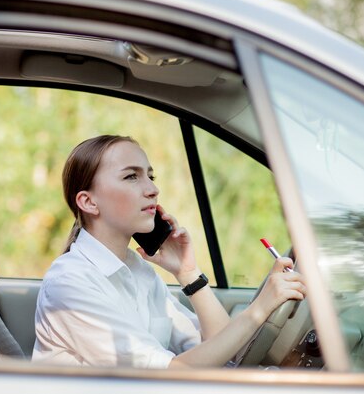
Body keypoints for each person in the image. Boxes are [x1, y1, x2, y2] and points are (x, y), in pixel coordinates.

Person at [32, 134, 306, 368]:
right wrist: (260, 309)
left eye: (150, 176)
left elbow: (221, 352)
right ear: (89, 202)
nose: (153, 189)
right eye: (131, 177)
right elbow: (172, 374)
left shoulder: (139, 271)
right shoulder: (69, 283)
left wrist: (188, 273)